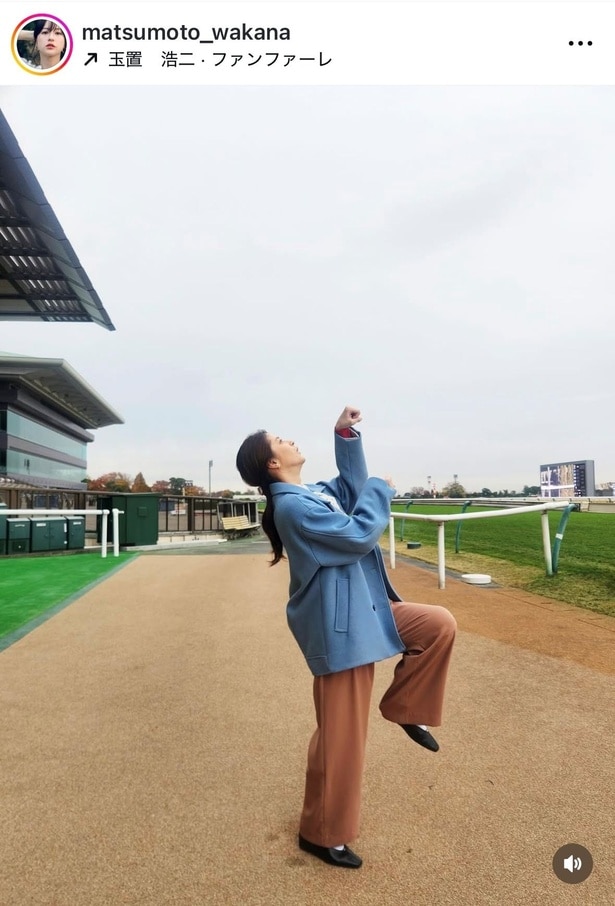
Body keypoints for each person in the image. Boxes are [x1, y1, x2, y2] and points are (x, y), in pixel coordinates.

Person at [236, 406, 456, 869]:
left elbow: (352, 488)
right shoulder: (293, 508)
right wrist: (382, 489)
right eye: (280, 439)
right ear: (271, 463)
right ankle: (321, 833)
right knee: (341, 741)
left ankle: (404, 706)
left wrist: (345, 435)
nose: (290, 439)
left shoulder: (311, 493)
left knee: (437, 625)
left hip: (369, 610)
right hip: (342, 630)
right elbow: (359, 533)